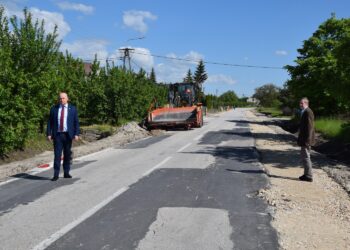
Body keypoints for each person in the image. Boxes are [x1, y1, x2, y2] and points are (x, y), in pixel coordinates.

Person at [47, 92, 80, 181]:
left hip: (68, 135)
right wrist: (49, 134)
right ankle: (56, 174)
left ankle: (66, 172)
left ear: (67, 99)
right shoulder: (54, 109)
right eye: (60, 98)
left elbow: (76, 122)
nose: (61, 100)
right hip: (57, 135)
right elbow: (49, 122)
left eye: (63, 98)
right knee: (57, 155)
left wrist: (76, 134)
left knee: (67, 154)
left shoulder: (72, 109)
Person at [297, 97, 315, 182]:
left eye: (302, 103)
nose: (300, 105)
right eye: (300, 103)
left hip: (306, 140)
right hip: (304, 139)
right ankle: (306, 174)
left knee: (306, 157)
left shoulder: (308, 112)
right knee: (304, 157)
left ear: (306, 103)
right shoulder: (304, 112)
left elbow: (310, 128)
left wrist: (307, 141)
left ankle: (308, 175)